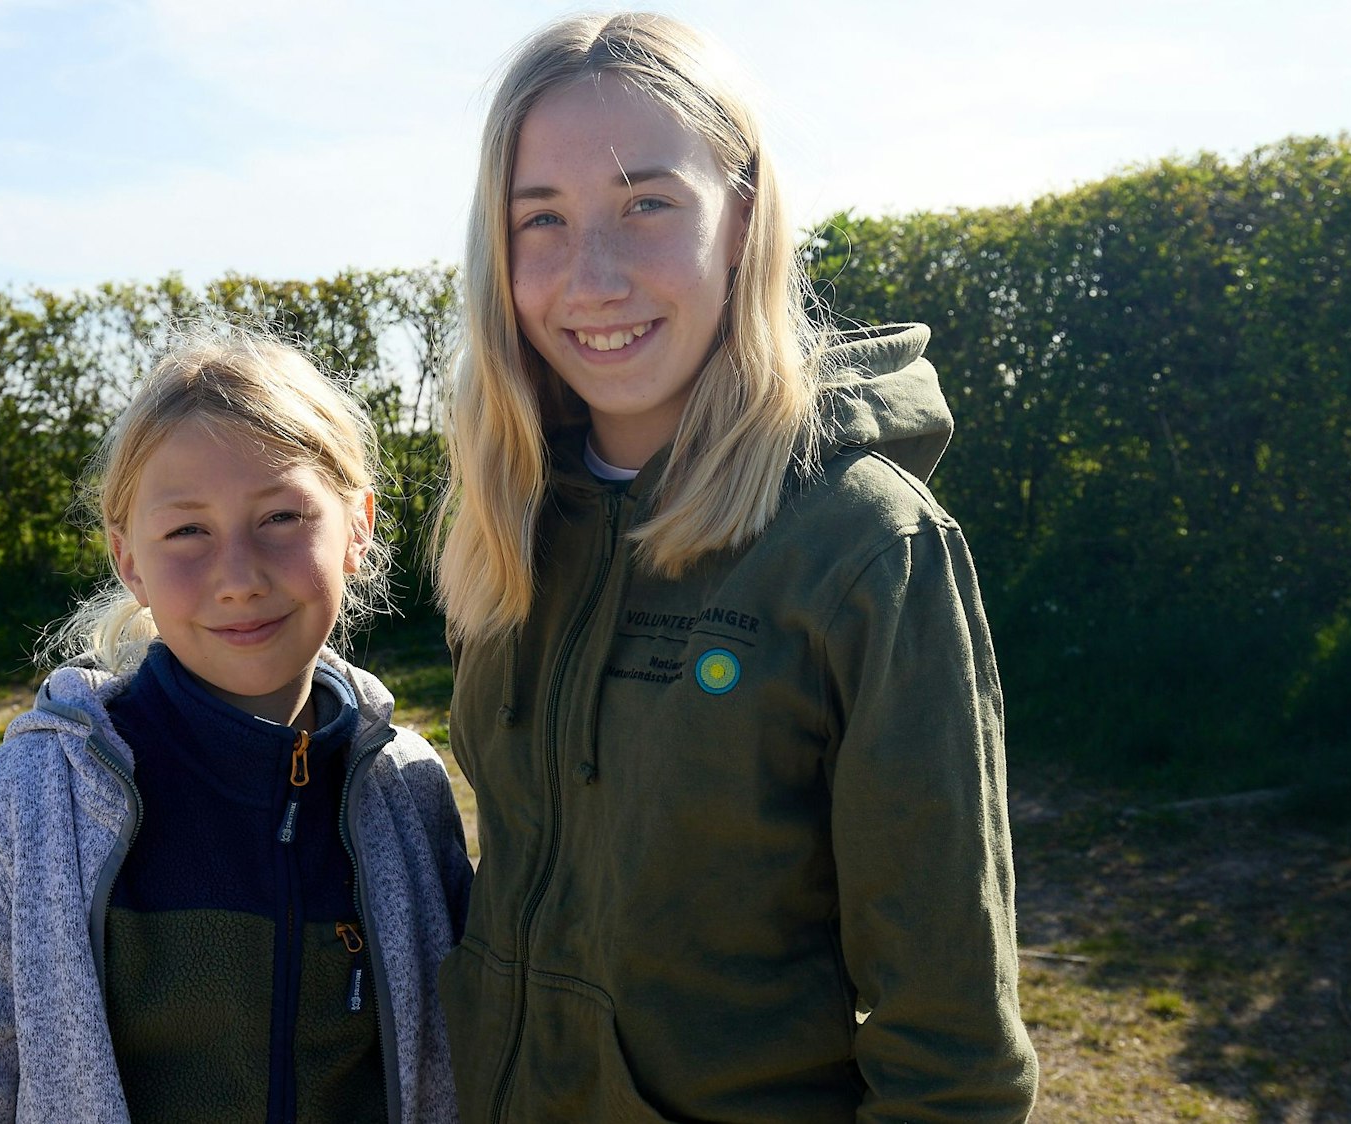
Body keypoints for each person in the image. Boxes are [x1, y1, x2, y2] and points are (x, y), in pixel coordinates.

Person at [434, 12, 1038, 1122]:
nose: (593, 276)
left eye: (646, 205)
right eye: (543, 220)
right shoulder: (511, 519)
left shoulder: (866, 547)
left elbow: (953, 1055)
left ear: (743, 219)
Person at [0, 328, 473, 1124]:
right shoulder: (28, 805)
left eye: (282, 517)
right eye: (188, 531)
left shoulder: (407, 789)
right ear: (129, 559)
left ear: (358, 527)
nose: (238, 578)